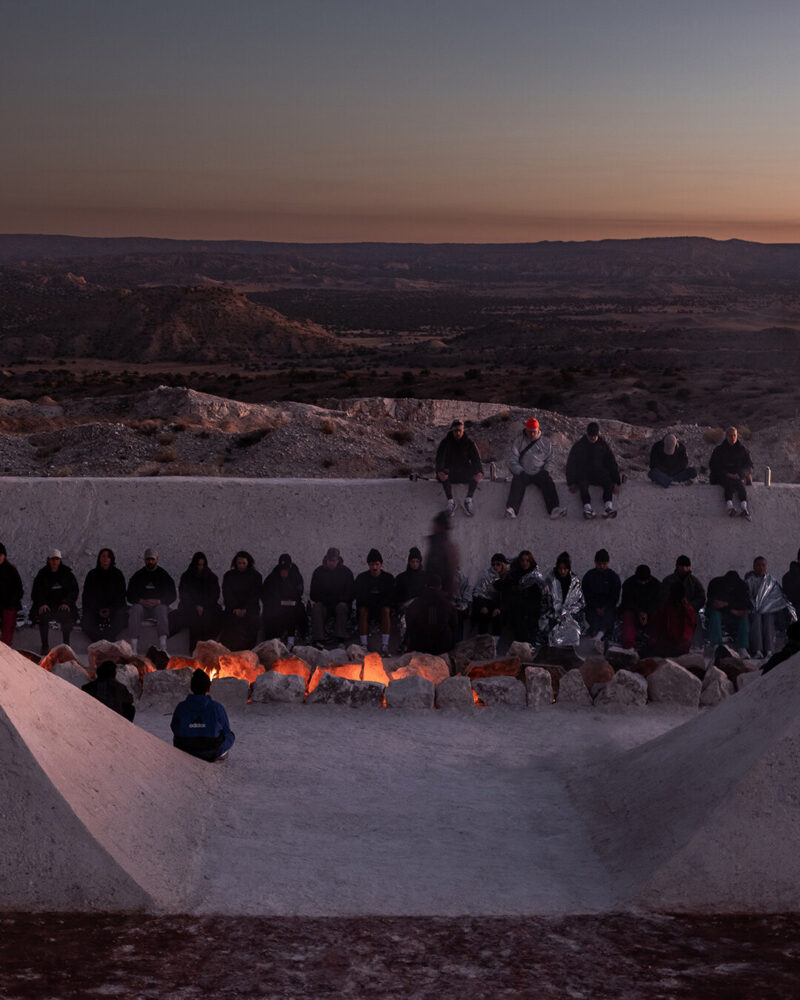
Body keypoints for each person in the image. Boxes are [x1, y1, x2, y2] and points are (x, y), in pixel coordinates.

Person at [504, 417, 567, 520]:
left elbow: (551, 459)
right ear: (526, 430)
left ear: (538, 430)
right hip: (523, 472)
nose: (532, 434)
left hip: (539, 472)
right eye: (530, 431)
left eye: (534, 431)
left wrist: (546, 471)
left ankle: (554, 509)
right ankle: (512, 509)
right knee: (516, 483)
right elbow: (512, 459)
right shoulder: (519, 441)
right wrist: (519, 471)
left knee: (548, 483)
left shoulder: (546, 442)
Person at [171, 668, 234, 762]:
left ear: (191, 687)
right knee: (230, 735)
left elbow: (174, 727)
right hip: (210, 752)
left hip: (184, 749)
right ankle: (219, 753)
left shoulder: (181, 707)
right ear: (208, 688)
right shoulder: (216, 708)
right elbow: (226, 730)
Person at [566, 422, 622, 519]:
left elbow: (611, 463)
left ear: (598, 434)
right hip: (584, 474)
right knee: (583, 485)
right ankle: (588, 508)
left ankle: (608, 508)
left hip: (599, 473)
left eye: (594, 436)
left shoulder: (603, 445)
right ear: (587, 434)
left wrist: (616, 481)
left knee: (608, 483)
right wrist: (571, 482)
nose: (592, 438)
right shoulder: (579, 445)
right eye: (590, 435)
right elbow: (571, 464)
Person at [126, 548, 177, 655]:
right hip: (142, 608)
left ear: (157, 559)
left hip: (158, 607)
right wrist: (140, 601)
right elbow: (129, 595)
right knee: (135, 609)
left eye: (152, 559)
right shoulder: (138, 576)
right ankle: (133, 647)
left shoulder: (164, 575)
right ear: (144, 560)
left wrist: (159, 601)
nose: (150, 561)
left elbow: (172, 595)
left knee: (162, 609)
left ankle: (163, 647)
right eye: (148, 559)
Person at [169, 551, 222, 651]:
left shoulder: (211, 577)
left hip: (208, 607)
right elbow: (184, 594)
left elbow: (215, 594)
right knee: (194, 620)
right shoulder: (187, 576)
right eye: (198, 565)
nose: (200, 567)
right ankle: (194, 649)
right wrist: (195, 606)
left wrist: (204, 606)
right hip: (190, 607)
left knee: (211, 619)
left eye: (202, 565)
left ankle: (207, 649)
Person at [31, 549, 79, 655]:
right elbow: (36, 592)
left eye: (56, 559)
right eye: (52, 559)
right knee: (43, 615)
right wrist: (42, 603)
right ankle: (44, 646)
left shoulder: (67, 574)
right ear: (48, 560)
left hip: (62, 605)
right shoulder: (42, 574)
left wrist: (67, 602)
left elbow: (74, 591)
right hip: (47, 605)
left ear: (60, 560)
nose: (54, 562)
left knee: (67, 615)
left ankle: (66, 645)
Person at [745, 556, 793, 659]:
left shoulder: (770, 581)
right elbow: (747, 596)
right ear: (754, 566)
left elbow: (777, 596)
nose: (761, 568)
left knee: (769, 619)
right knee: (757, 619)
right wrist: (756, 605)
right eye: (758, 565)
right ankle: (757, 650)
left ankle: (769, 649)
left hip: (769, 611)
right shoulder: (749, 580)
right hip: (754, 611)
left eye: (763, 565)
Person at [435, 418, 483, 517]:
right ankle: (450, 502)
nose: (457, 433)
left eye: (459, 430)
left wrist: (479, 471)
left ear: (463, 430)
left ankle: (468, 500)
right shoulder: (445, 442)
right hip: (450, 472)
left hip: (464, 471)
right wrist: (440, 471)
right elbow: (440, 459)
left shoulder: (469, 442)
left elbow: (476, 459)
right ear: (452, 431)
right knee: (442, 473)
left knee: (477, 473)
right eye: (455, 431)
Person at [495, 549, 543, 644]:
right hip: (517, 615)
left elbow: (538, 598)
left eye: (527, 560)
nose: (525, 563)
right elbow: (503, 588)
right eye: (522, 560)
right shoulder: (514, 576)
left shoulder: (535, 577)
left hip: (531, 615)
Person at [309, 546, 355, 645]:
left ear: (338, 560)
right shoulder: (318, 572)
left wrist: (338, 599)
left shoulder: (346, 573)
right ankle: (319, 639)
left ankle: (340, 638)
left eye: (334, 561)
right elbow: (313, 594)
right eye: (329, 560)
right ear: (326, 559)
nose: (331, 563)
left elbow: (351, 594)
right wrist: (325, 600)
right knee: (316, 608)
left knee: (342, 607)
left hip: (340, 604)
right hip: (324, 604)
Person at [81, 547, 128, 643]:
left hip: (113, 610)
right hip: (95, 610)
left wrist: (110, 609)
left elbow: (121, 596)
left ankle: (108, 639)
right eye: (103, 556)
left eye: (108, 557)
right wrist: (97, 609)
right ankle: (100, 641)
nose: (105, 559)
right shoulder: (92, 575)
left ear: (111, 559)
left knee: (122, 618)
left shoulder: (117, 575)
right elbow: (87, 596)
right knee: (85, 621)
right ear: (99, 558)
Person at [658, 555, 706, 648]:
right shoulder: (669, 580)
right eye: (682, 566)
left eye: (686, 566)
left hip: (689, 610)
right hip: (672, 610)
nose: (684, 568)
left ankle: (696, 645)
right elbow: (663, 597)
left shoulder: (694, 581)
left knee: (695, 619)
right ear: (677, 566)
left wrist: (690, 606)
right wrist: (675, 604)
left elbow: (701, 597)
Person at [405, 573, 458, 655]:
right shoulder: (447, 604)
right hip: (442, 646)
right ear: (440, 587)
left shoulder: (416, 603)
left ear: (426, 586)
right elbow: (454, 623)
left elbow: (409, 622)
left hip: (420, 646)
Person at [354, 548, 395, 654]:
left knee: (386, 610)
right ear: (368, 565)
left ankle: (385, 645)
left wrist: (381, 603)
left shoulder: (388, 578)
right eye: (372, 564)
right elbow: (359, 597)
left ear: (381, 564)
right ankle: (364, 645)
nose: (374, 567)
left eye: (377, 564)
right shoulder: (362, 578)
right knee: (363, 611)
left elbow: (390, 597)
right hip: (368, 607)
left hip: (382, 608)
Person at [261, 553, 306, 649]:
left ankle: (291, 640)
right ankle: (276, 640)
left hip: (292, 604)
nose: (284, 572)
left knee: (297, 610)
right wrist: (277, 601)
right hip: (277, 604)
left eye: (286, 570)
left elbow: (299, 592)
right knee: (273, 611)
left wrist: (292, 599)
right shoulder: (273, 577)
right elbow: (266, 593)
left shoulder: (296, 576)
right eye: (282, 570)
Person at [540, 551, 585, 647]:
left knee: (573, 633)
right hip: (552, 616)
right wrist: (553, 613)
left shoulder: (574, 582)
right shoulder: (550, 581)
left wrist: (568, 612)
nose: (562, 571)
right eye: (560, 569)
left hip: (570, 616)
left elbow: (580, 602)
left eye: (565, 569)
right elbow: (544, 601)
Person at [581, 548, 621, 653]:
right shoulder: (589, 576)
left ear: (608, 563)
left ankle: (599, 636)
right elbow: (586, 595)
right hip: (592, 606)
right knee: (594, 620)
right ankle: (594, 638)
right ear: (595, 563)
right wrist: (596, 607)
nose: (602, 566)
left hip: (608, 607)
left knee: (608, 617)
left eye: (604, 564)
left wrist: (605, 608)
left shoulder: (613, 577)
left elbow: (615, 597)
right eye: (599, 564)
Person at [709, 426, 753, 520]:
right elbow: (714, 465)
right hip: (724, 475)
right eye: (730, 436)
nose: (732, 438)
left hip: (738, 475)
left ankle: (744, 508)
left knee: (740, 484)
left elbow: (749, 465)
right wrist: (726, 474)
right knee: (728, 484)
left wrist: (740, 474)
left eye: (734, 435)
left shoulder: (743, 450)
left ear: (737, 436)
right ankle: (730, 507)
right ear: (726, 436)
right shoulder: (719, 450)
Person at [220, 550, 262, 650]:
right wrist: (235, 608)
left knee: (252, 623)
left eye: (243, 563)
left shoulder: (256, 576)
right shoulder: (229, 576)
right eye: (239, 563)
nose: (241, 566)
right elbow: (227, 593)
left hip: (250, 609)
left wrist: (246, 609)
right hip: (232, 609)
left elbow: (255, 595)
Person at [706, 570, 752, 654]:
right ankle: (716, 645)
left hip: (732, 614)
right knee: (715, 615)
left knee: (744, 617)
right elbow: (715, 604)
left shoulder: (742, 587)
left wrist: (727, 605)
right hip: (719, 613)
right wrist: (732, 609)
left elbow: (745, 604)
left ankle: (742, 647)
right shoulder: (716, 584)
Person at [472, 553, 510, 649]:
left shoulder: (507, 577)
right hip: (486, 602)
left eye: (498, 564)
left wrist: (498, 608)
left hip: (500, 604)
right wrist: (482, 606)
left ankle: (494, 645)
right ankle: (482, 645)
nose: (495, 567)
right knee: (483, 615)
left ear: (503, 565)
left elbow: (506, 596)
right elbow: (479, 592)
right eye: (493, 564)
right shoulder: (486, 576)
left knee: (498, 616)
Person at [649, 581, 697, 657]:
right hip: (682, 648)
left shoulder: (665, 609)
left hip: (667, 648)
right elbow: (693, 626)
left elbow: (656, 627)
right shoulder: (688, 610)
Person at [619, 565, 661, 651]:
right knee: (628, 617)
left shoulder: (656, 584)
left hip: (650, 611)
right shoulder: (628, 584)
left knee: (657, 619)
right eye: (641, 581)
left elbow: (658, 602)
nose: (643, 583)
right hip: (633, 610)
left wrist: (647, 612)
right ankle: (629, 645)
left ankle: (655, 644)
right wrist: (639, 612)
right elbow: (626, 602)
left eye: (645, 581)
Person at [425, 511, 459, 600]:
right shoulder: (437, 543)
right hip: (433, 592)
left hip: (439, 594)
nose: (433, 526)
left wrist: (443, 593)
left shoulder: (444, 546)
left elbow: (449, 573)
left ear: (440, 526)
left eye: (435, 524)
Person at [0, 543, 23, 647]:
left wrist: (11, 602)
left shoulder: (11, 570)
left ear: (4, 556)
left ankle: (6, 648)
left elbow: (19, 590)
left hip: (9, 604)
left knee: (7, 626)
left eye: (0, 555)